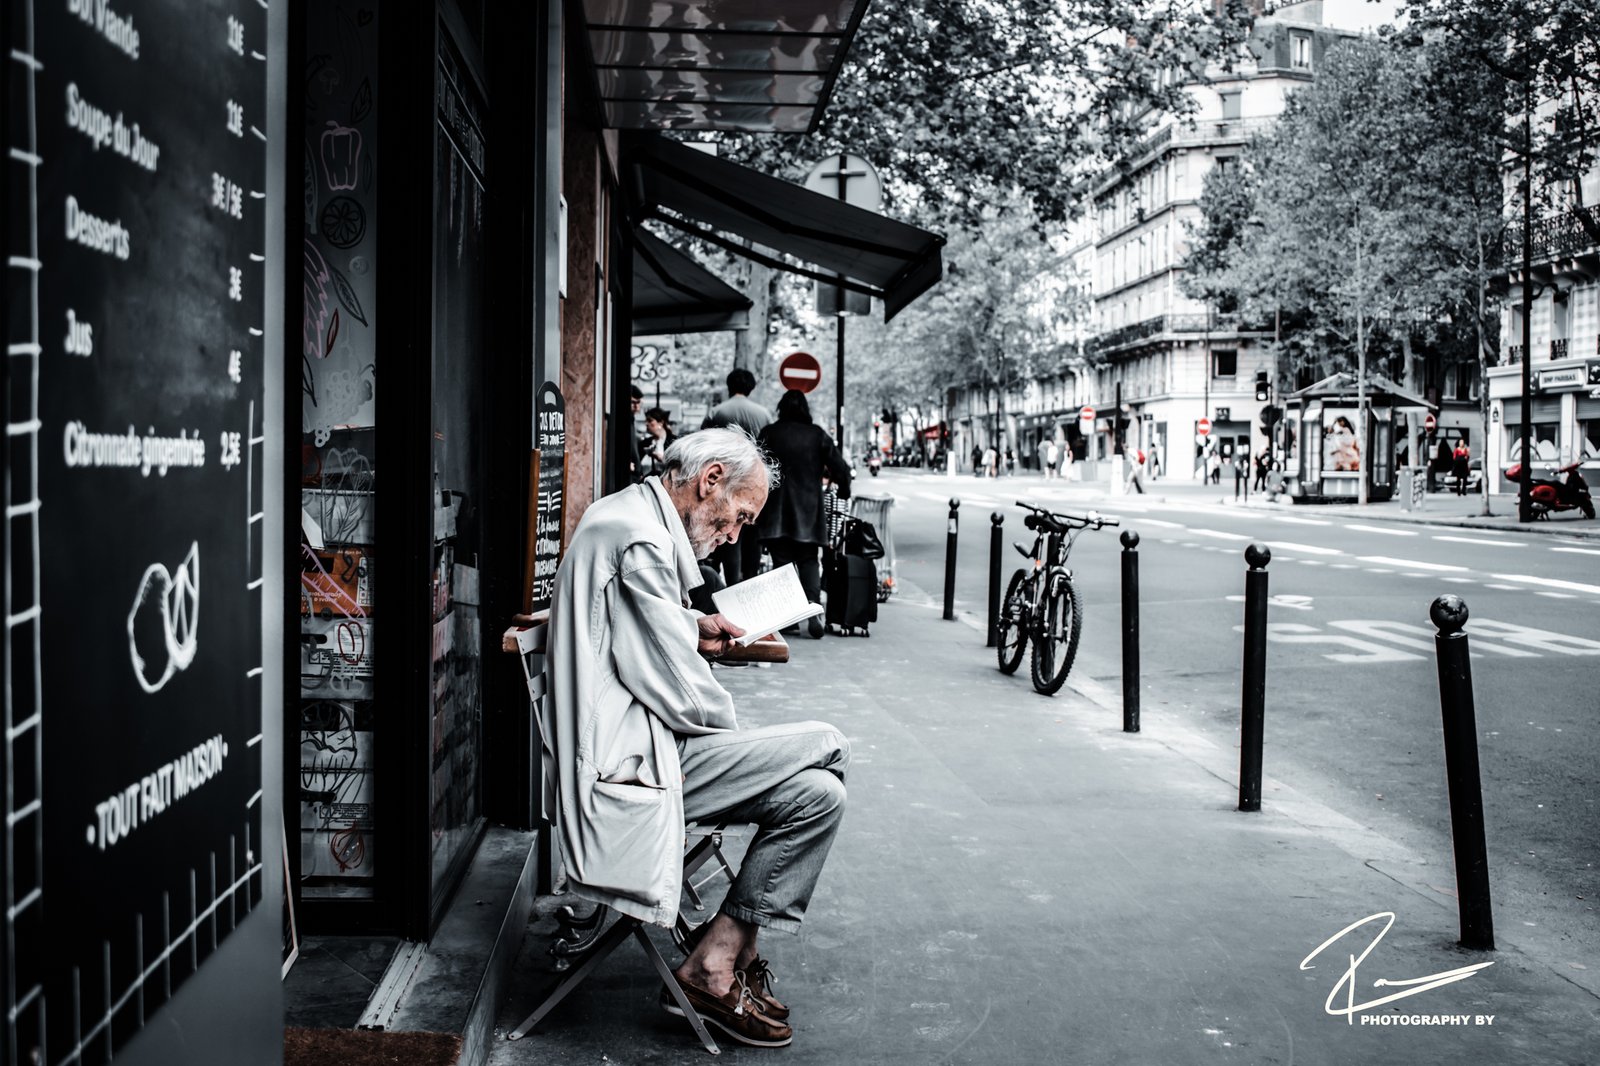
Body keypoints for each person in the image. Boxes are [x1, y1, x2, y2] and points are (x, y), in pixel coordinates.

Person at [546, 428, 849, 1048]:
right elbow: (684, 692)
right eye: (739, 516)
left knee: (820, 795)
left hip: (637, 746)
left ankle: (719, 955)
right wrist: (740, 744)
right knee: (830, 743)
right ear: (710, 479)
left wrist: (693, 624)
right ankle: (720, 964)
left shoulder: (629, 520)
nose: (735, 535)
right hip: (631, 766)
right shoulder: (639, 539)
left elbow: (641, 636)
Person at [756, 390, 852, 640]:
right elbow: (840, 467)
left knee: (781, 564)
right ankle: (812, 606)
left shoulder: (769, 433)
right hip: (809, 510)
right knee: (809, 560)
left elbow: (753, 466)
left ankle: (786, 618)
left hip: (775, 509)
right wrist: (844, 489)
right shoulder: (816, 434)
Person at [702, 369, 772, 585]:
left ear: (729, 385)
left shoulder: (717, 412)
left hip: (725, 484)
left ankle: (732, 583)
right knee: (751, 536)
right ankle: (749, 581)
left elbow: (702, 447)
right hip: (753, 484)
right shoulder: (764, 414)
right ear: (751, 387)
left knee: (729, 533)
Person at [639, 407, 676, 479]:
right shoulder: (644, 443)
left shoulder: (673, 442)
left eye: (650, 421)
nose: (646, 424)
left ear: (661, 422)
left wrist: (661, 458)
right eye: (646, 421)